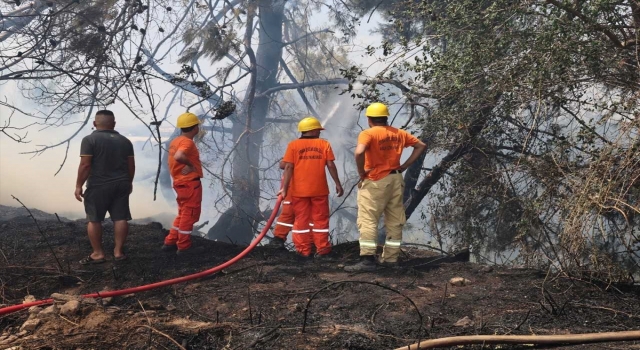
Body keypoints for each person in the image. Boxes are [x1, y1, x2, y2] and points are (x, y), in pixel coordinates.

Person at [344, 102, 427, 272]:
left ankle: (367, 260)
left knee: (368, 220)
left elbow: (359, 152)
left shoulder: (368, 133)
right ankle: (390, 259)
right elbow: (421, 146)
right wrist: (404, 165)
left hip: (375, 181)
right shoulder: (399, 133)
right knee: (395, 221)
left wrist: (361, 172)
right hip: (396, 180)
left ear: (369, 119)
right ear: (386, 117)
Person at [75, 110, 135, 265]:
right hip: (121, 184)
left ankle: (98, 253)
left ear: (95, 124)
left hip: (98, 185)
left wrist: (78, 185)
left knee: (94, 219)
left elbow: (85, 164)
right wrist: (129, 182)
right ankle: (118, 252)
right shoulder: (125, 141)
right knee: (120, 217)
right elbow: (131, 166)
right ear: (114, 124)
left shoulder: (89, 140)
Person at [278, 117, 344, 258]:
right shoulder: (324, 144)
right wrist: (338, 183)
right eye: (318, 130)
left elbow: (288, 166)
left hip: (299, 192)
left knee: (301, 220)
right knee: (320, 220)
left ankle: (303, 251)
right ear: (313, 130)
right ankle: (322, 251)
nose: (320, 132)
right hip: (319, 190)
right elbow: (331, 165)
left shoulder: (293, 145)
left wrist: (284, 188)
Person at [162, 112, 204, 255]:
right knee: (190, 214)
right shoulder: (187, 142)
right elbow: (179, 156)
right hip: (189, 184)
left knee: (182, 213)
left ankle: (170, 241)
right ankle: (184, 246)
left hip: (180, 183)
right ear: (194, 128)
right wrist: (190, 165)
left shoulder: (176, 141)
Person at [265, 161, 294, 249]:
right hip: (302, 188)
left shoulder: (295, 148)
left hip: (298, 188)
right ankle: (278, 240)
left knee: (288, 214)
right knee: (289, 214)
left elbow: (284, 165)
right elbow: (284, 165)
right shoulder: (320, 149)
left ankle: (278, 240)